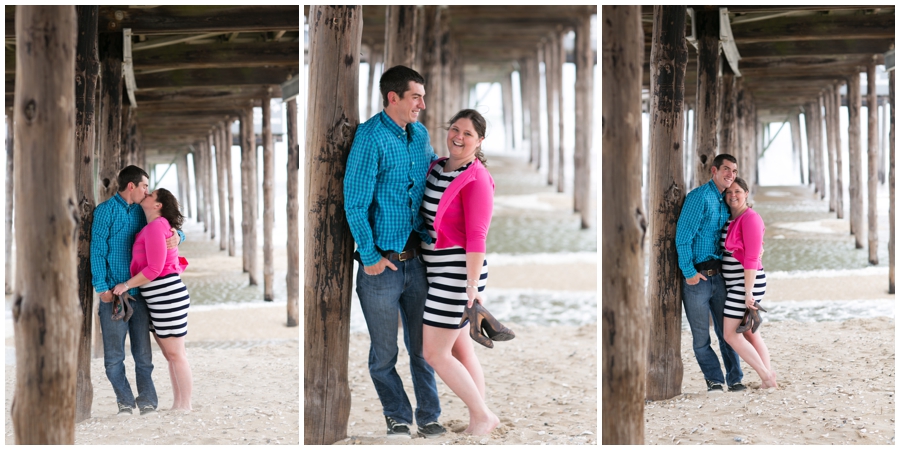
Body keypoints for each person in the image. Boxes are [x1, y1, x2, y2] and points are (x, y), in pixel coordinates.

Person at [343, 65, 444, 439]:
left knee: (422, 349)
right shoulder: (369, 137)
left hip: (417, 262)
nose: (422, 103)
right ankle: (397, 416)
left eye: (422, 95)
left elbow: (435, 178)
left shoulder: (420, 136)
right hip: (381, 267)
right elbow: (353, 202)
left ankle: (430, 416)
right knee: (384, 354)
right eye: (416, 96)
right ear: (393, 98)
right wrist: (369, 257)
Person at [420, 109, 501, 435]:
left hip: (457, 273)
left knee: (435, 353)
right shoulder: (438, 166)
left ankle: (483, 415)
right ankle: (478, 416)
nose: (459, 136)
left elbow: (477, 237)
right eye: (455, 129)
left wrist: (471, 286)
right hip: (438, 269)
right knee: (459, 347)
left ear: (479, 141)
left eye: (468, 133)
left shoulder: (476, 177)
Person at [91, 166, 183, 416]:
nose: (147, 191)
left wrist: (179, 236)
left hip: (141, 295)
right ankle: (125, 402)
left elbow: (167, 225)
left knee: (143, 355)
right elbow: (97, 251)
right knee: (113, 358)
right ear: (131, 186)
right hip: (112, 295)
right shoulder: (104, 212)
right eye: (144, 186)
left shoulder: (144, 213)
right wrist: (102, 288)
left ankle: (147, 401)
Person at [112, 188, 193, 410]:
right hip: (158, 296)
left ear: (157, 205)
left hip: (166, 294)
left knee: (176, 354)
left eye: (151, 194)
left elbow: (155, 268)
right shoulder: (153, 226)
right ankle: (178, 404)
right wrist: (178, 234)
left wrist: (126, 285)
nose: (146, 194)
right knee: (171, 355)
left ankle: (185, 405)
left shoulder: (157, 226)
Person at [675, 154, 745, 394]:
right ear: (714, 170)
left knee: (728, 332)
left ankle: (735, 379)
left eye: (734, 171)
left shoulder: (726, 199)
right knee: (701, 338)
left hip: (721, 277)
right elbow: (682, 239)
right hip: (698, 278)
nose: (730, 175)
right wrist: (689, 273)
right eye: (726, 169)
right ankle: (714, 380)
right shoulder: (699, 197)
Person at [720, 177, 777, 389]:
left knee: (730, 334)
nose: (732, 195)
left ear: (746, 193)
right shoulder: (731, 218)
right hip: (738, 284)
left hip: (745, 285)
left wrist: (748, 292)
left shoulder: (750, 218)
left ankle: (766, 375)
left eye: (737, 191)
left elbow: (752, 258)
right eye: (728, 192)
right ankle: (768, 378)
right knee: (750, 332)